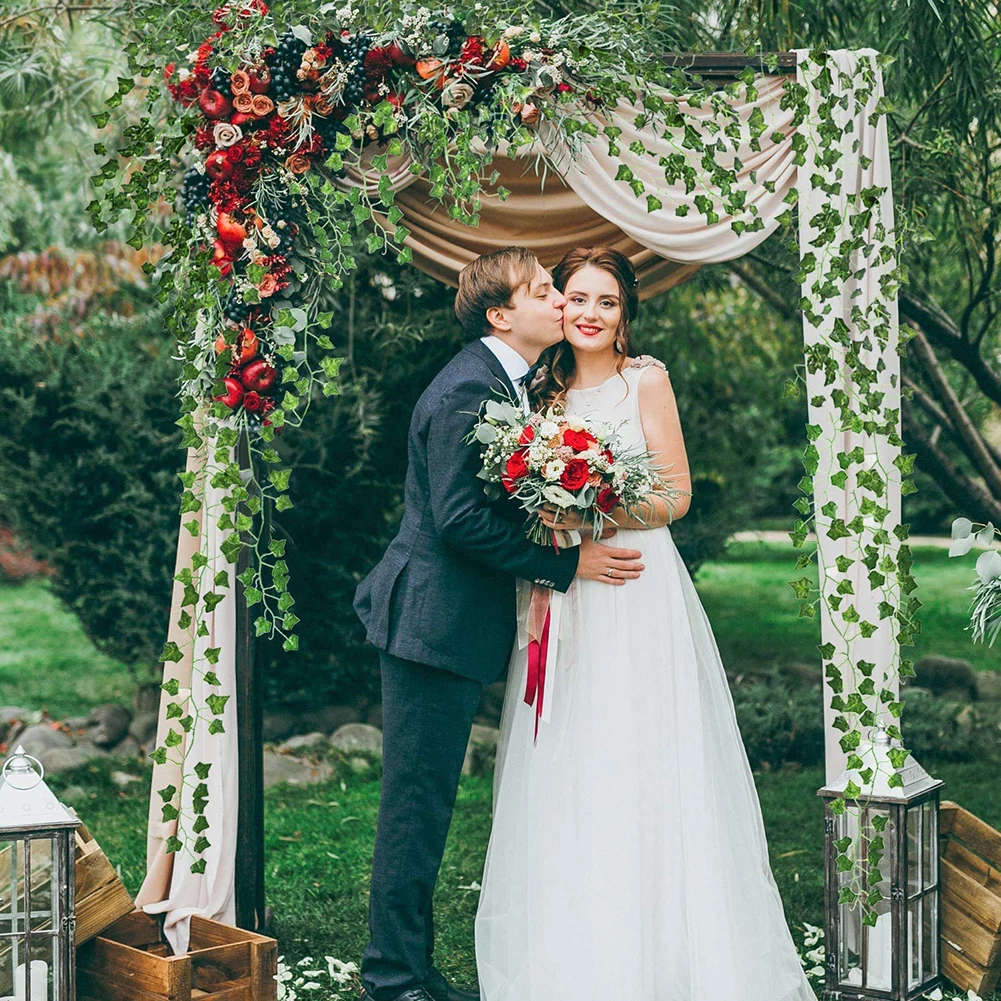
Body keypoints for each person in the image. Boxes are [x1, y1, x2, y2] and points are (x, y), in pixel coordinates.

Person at [474, 247, 819, 1001]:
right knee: (570, 745)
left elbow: (675, 496)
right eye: (577, 298)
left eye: (607, 301)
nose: (590, 313)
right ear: (558, 305)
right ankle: (578, 942)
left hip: (634, 583)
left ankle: (666, 943)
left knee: (640, 745)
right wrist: (555, 523)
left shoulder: (645, 381)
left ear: (625, 313)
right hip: (569, 588)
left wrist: (593, 509)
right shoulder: (538, 391)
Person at [353, 246, 647, 1001]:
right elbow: (457, 521)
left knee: (426, 805)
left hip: (447, 624)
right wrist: (564, 564)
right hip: (430, 623)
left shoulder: (507, 383)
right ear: (501, 314)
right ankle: (392, 977)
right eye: (544, 291)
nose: (561, 301)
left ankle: (411, 968)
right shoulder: (469, 388)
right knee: (414, 808)